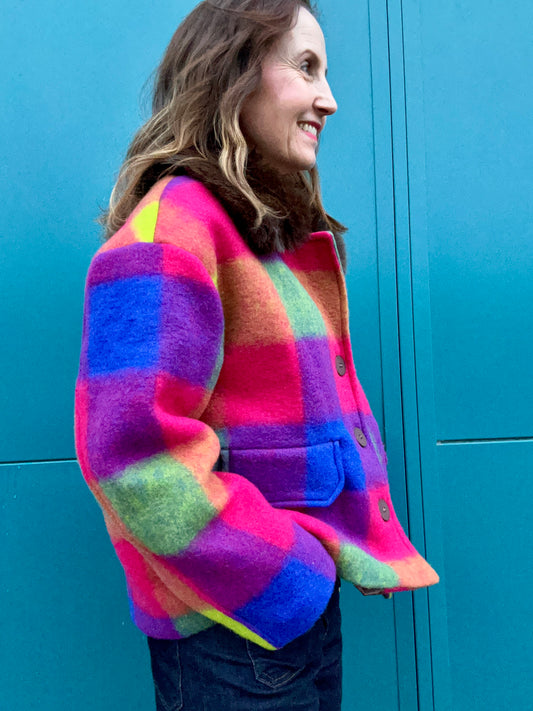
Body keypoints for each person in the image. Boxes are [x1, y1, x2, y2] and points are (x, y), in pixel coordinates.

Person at [75, 1, 439, 708]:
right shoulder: (173, 230)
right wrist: (286, 577)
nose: (328, 99)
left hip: (280, 614)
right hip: (234, 629)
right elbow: (131, 457)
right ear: (234, 72)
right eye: (306, 67)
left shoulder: (250, 232)